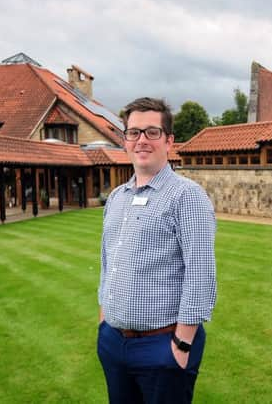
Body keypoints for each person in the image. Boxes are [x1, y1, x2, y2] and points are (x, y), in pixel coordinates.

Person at [97, 97, 217, 403]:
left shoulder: (187, 196)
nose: (141, 140)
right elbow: (108, 262)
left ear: (168, 141)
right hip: (113, 341)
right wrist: (103, 320)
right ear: (125, 140)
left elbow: (200, 274)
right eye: (133, 132)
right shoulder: (116, 197)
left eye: (152, 132)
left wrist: (182, 345)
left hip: (162, 346)